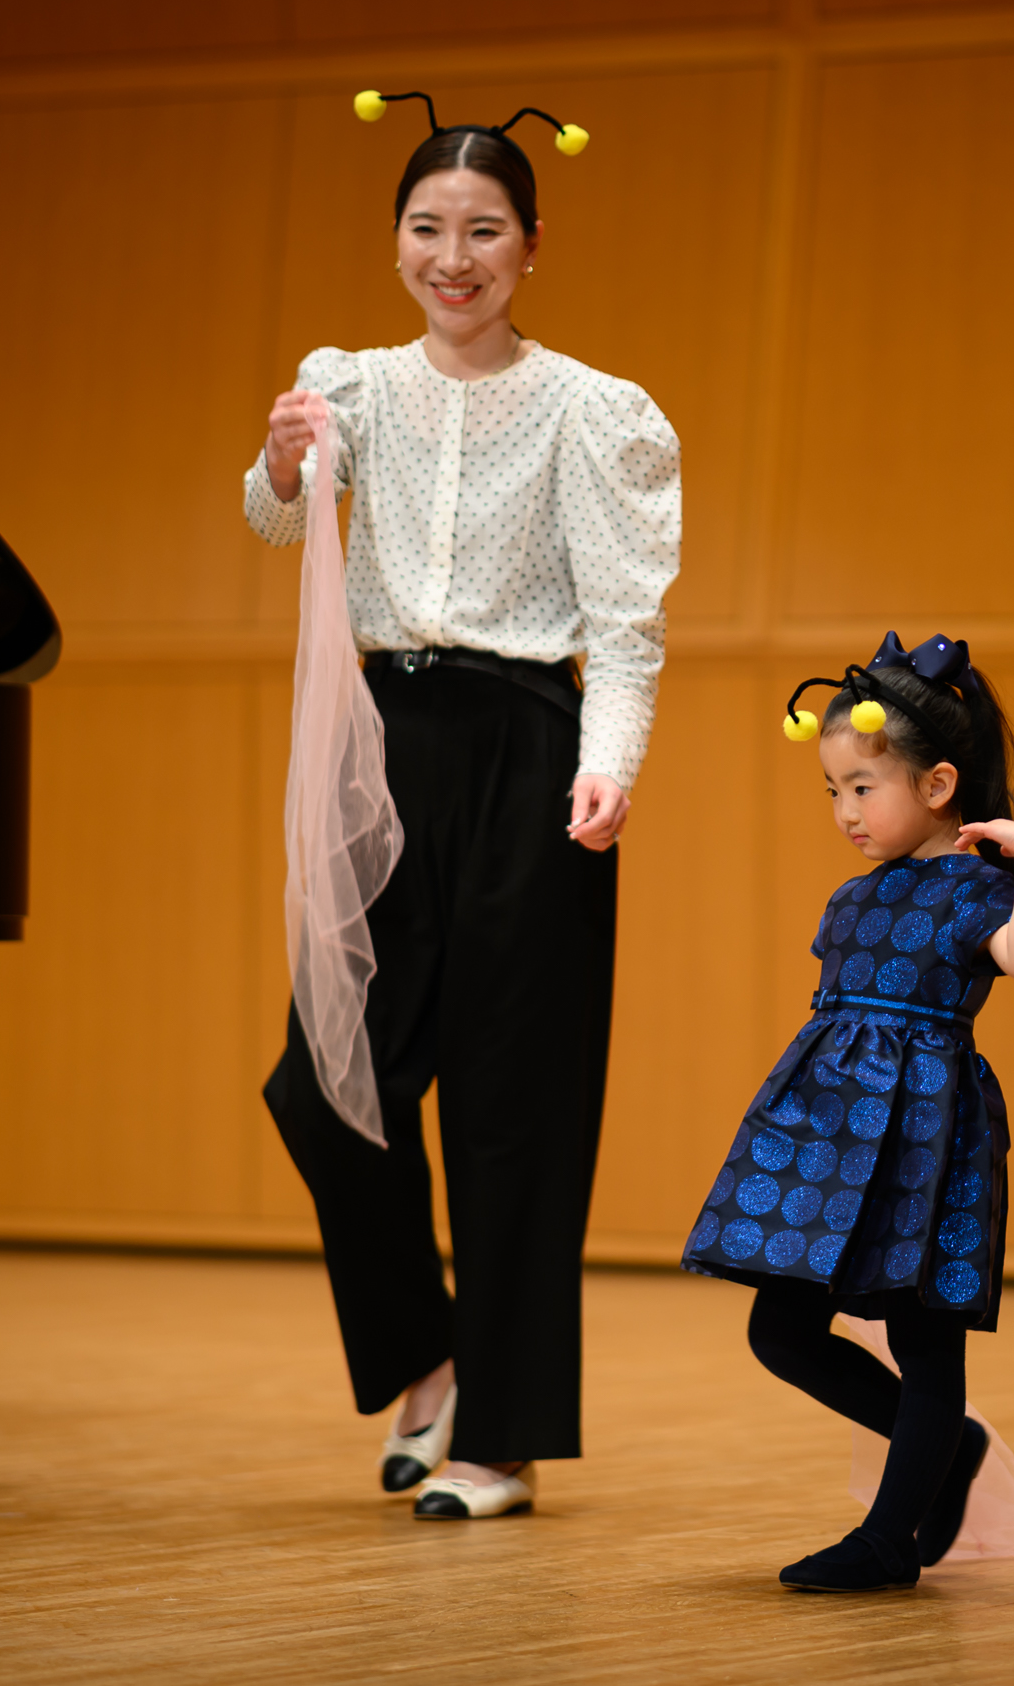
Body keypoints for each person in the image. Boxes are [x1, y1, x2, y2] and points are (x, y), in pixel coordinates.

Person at [242, 92, 679, 1518]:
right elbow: (270, 515)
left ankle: (499, 1437)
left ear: (531, 247)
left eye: (484, 230)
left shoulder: (594, 410)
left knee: (514, 1108)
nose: (454, 254)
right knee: (323, 1088)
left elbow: (622, 625)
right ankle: (427, 1361)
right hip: (385, 741)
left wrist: (611, 760)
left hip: (527, 746)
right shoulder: (351, 383)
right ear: (398, 244)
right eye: (429, 228)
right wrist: (285, 459)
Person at [682, 633, 1014, 1591]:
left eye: (864, 787)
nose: (846, 811)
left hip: (927, 1137)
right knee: (781, 1330)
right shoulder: (852, 897)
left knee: (922, 1335)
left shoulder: (980, 888)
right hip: (828, 1132)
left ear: (939, 786)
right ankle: (945, 1449)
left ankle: (892, 1536)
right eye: (833, 791)